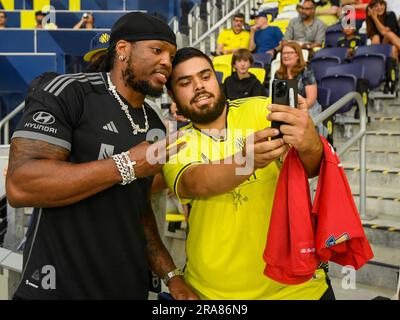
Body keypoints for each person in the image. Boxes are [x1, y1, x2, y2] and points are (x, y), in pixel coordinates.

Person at [7, 12, 198, 300]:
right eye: (157, 50)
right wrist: (128, 164)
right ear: (122, 50)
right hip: (57, 290)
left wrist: (171, 276)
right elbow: (21, 185)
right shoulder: (70, 92)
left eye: (171, 56)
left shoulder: (154, 123)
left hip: (125, 288)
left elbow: (139, 212)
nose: (167, 63)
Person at [163, 47, 335, 300]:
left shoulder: (261, 109)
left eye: (205, 76)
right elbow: (197, 183)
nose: (199, 86)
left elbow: (313, 167)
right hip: (214, 293)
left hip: (299, 288)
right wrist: (247, 161)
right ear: (172, 95)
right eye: (185, 82)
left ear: (217, 78)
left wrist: (309, 140)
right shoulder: (174, 144)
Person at [274, 41, 326, 136]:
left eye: (290, 53)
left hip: (307, 107)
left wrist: (294, 109)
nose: (286, 56)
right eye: (284, 53)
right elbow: (279, 98)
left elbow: (311, 99)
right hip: (286, 108)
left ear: (298, 56)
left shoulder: (306, 71)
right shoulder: (279, 74)